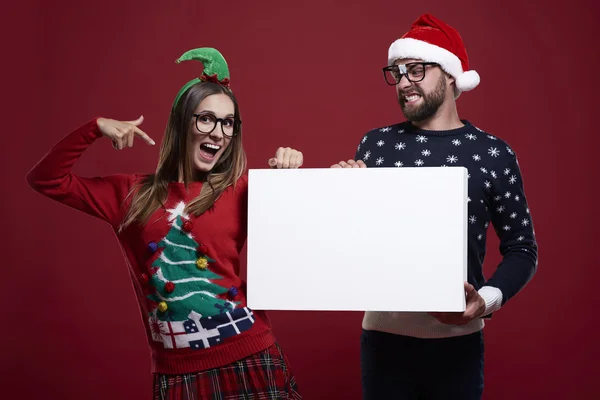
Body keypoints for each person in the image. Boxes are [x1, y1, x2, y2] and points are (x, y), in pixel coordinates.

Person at [27, 47, 303, 400]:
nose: (218, 132)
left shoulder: (241, 188)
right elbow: (46, 179)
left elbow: (303, 239)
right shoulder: (130, 194)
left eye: (228, 122)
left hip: (250, 358)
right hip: (178, 377)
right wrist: (94, 128)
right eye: (206, 118)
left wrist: (290, 174)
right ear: (181, 122)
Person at [331, 14, 538, 400]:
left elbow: (523, 249)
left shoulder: (492, 153)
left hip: (458, 345)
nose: (404, 81)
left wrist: (484, 300)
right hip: (382, 341)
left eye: (416, 70)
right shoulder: (375, 145)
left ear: (449, 74)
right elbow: (351, 243)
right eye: (397, 72)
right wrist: (340, 193)